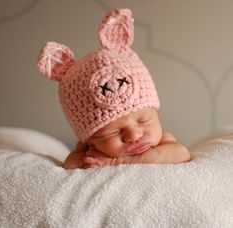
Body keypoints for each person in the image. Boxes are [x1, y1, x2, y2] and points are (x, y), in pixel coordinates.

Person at [37, 8, 191, 169]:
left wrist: (121, 161)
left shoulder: (163, 140)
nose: (134, 135)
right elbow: (71, 166)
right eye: (113, 132)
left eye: (144, 120)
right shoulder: (88, 149)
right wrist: (86, 161)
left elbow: (181, 153)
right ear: (89, 139)